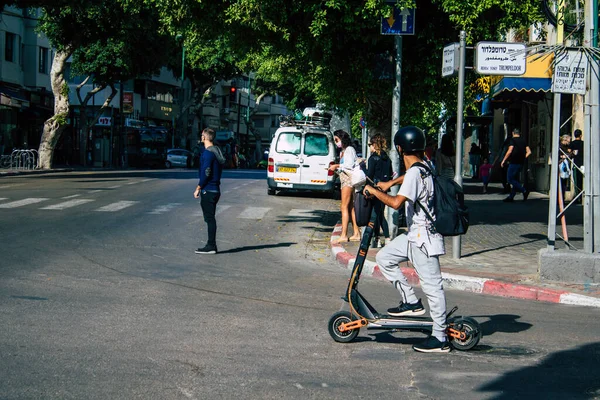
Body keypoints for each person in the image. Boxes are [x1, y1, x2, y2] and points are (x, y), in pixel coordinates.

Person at [363, 126, 450, 353]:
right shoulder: (425, 166)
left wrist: (373, 191)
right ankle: (410, 302)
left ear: (400, 148)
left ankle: (440, 339)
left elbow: (395, 204)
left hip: (424, 240)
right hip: (414, 236)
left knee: (433, 289)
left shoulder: (414, 172)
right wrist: (391, 184)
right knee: (384, 257)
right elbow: (410, 174)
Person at [193, 128, 226, 254]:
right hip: (216, 189)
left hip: (209, 190)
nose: (201, 137)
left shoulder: (208, 153)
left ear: (205, 137)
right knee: (210, 218)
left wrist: (198, 187)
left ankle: (211, 245)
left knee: (210, 219)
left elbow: (206, 172)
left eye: (202, 135)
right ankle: (211, 245)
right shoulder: (217, 151)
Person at [329, 130, 360, 243]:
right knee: (350, 207)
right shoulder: (344, 150)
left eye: (337, 140)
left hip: (347, 180)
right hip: (345, 179)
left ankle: (344, 234)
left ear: (342, 139)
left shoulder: (349, 150)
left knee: (344, 207)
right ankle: (356, 232)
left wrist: (337, 165)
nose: (336, 142)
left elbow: (348, 166)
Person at [366, 133, 392, 247]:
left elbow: (369, 175)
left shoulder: (373, 158)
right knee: (379, 213)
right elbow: (390, 174)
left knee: (377, 214)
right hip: (384, 188)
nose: (369, 147)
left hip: (374, 189)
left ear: (375, 145)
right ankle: (379, 238)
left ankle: (384, 238)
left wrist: (367, 189)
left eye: (370, 144)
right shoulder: (387, 158)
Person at [500, 128, 531, 202]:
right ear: (519, 133)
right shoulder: (523, 140)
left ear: (513, 133)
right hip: (521, 163)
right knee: (515, 179)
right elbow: (529, 152)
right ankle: (511, 196)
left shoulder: (512, 140)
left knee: (509, 179)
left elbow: (510, 151)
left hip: (513, 162)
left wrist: (504, 160)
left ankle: (524, 190)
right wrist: (523, 157)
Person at [569, 129, 584, 203]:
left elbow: (569, 153)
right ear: (580, 135)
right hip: (583, 164)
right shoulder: (583, 144)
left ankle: (578, 197)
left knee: (576, 181)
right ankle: (582, 196)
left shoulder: (572, 144)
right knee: (582, 181)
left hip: (575, 164)